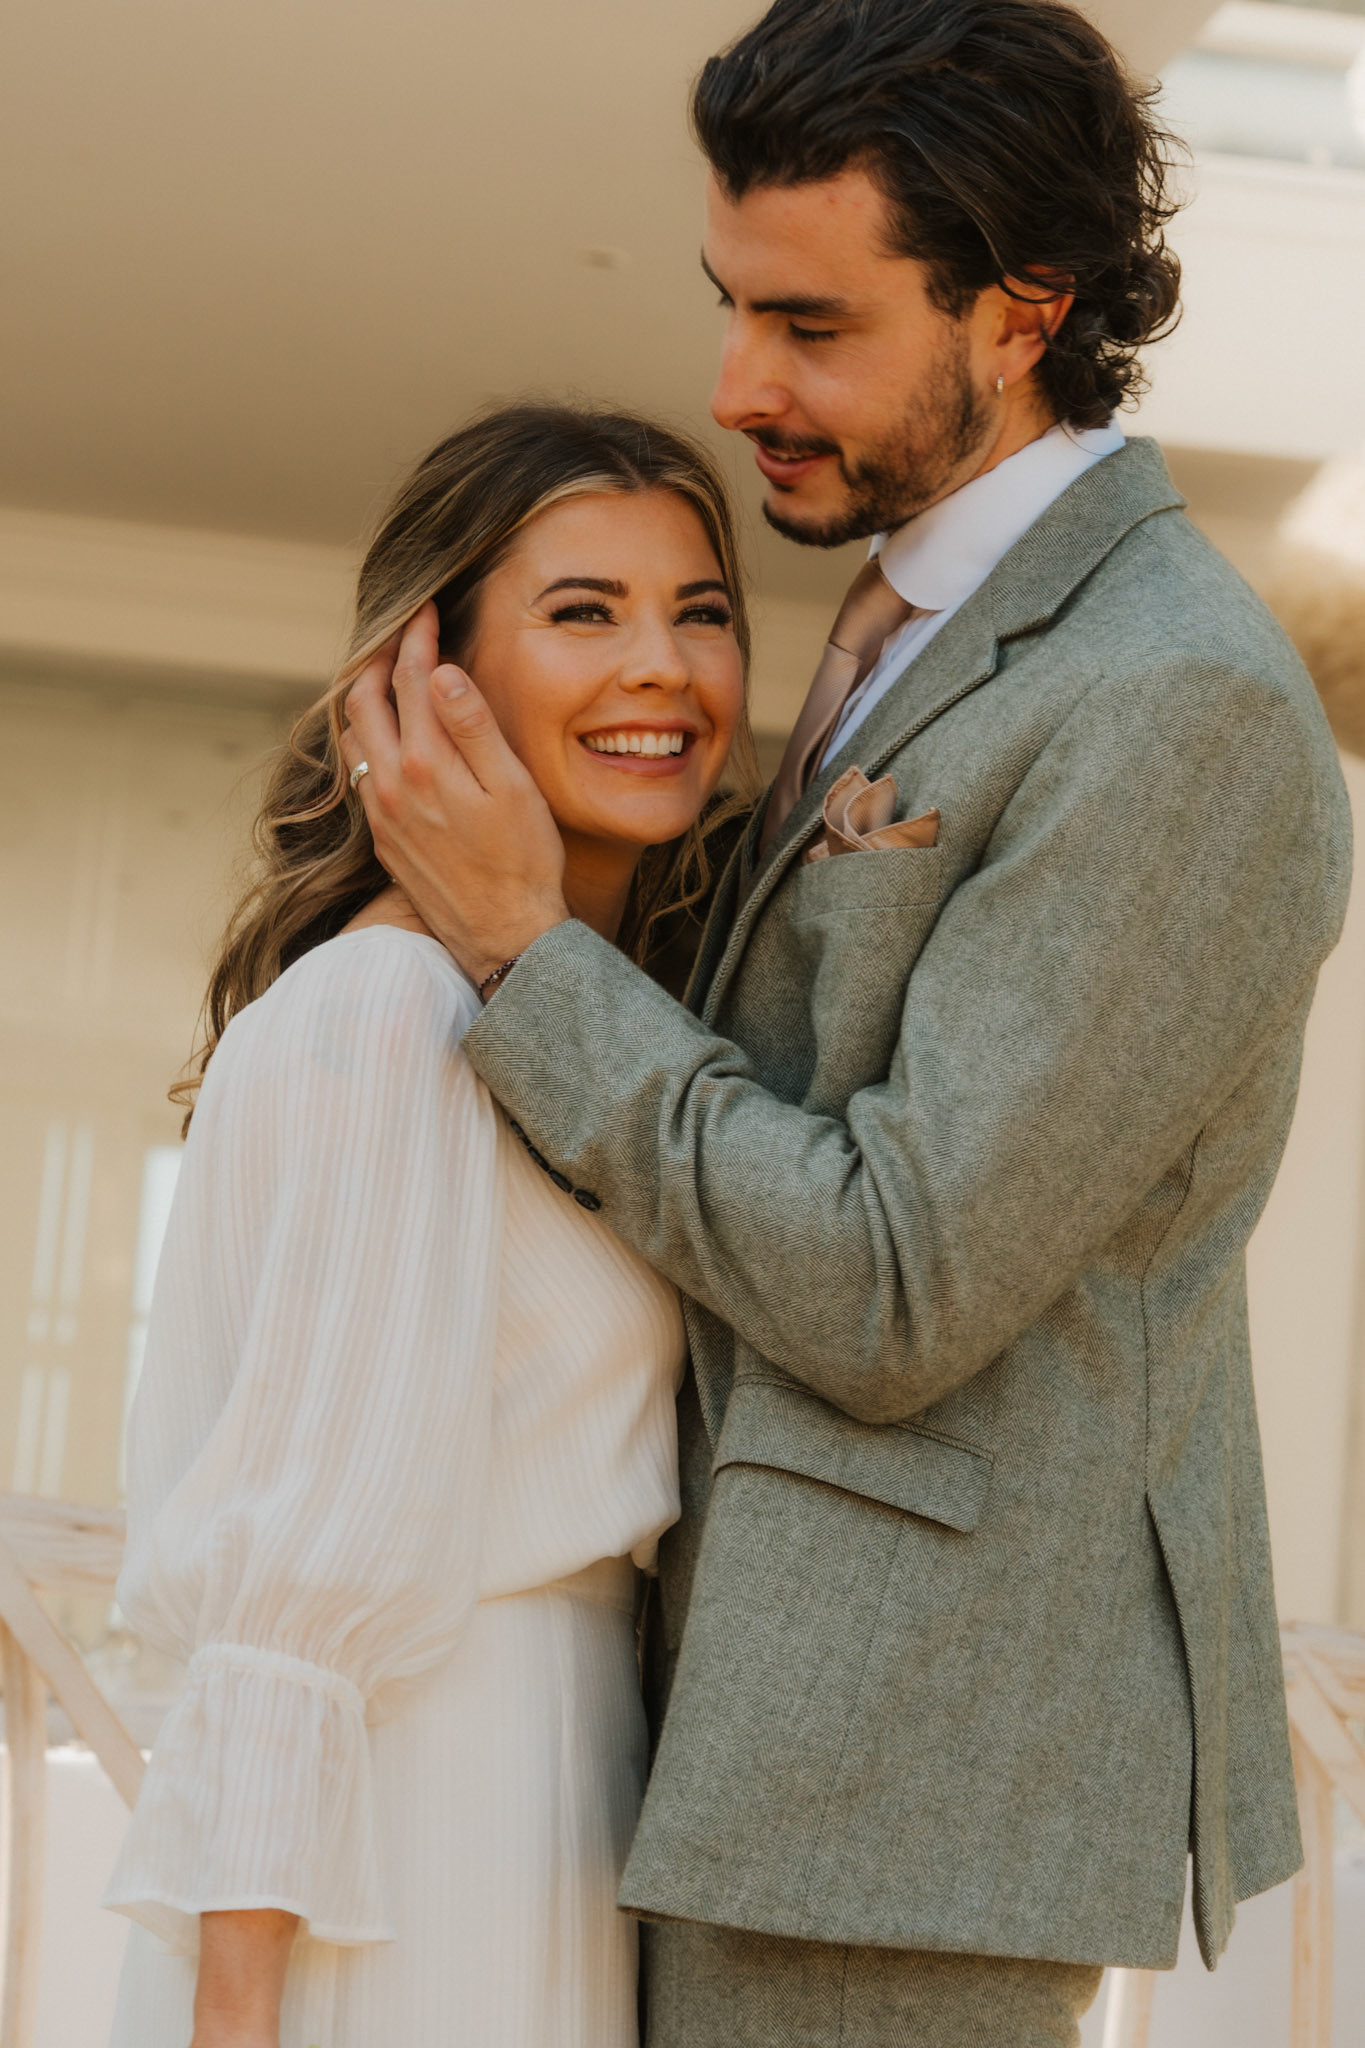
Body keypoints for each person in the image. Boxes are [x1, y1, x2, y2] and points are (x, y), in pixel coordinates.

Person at [340, 4, 1354, 2046]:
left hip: (901, 1780)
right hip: (734, 1740)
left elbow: (897, 1280)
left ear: (1022, 308)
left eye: (808, 326)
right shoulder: (922, 616)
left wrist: (527, 954)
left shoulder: (1177, 702)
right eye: (731, 306)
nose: (736, 386)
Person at [103, 402, 757, 2048]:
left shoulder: (586, 1035)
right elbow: (288, 1581)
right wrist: (237, 2009)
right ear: (427, 674)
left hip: (553, 1802)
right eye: (584, 611)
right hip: (407, 1834)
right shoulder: (389, 1011)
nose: (661, 667)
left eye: (699, 612)